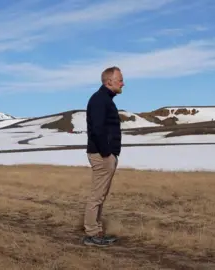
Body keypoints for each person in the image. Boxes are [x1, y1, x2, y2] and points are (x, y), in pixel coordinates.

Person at [82, 66, 124, 247]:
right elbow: (98, 130)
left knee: (100, 195)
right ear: (109, 81)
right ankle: (91, 234)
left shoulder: (104, 99)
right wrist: (107, 153)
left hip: (104, 154)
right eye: (120, 80)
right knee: (96, 196)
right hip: (101, 155)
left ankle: (96, 231)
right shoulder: (100, 100)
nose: (123, 83)